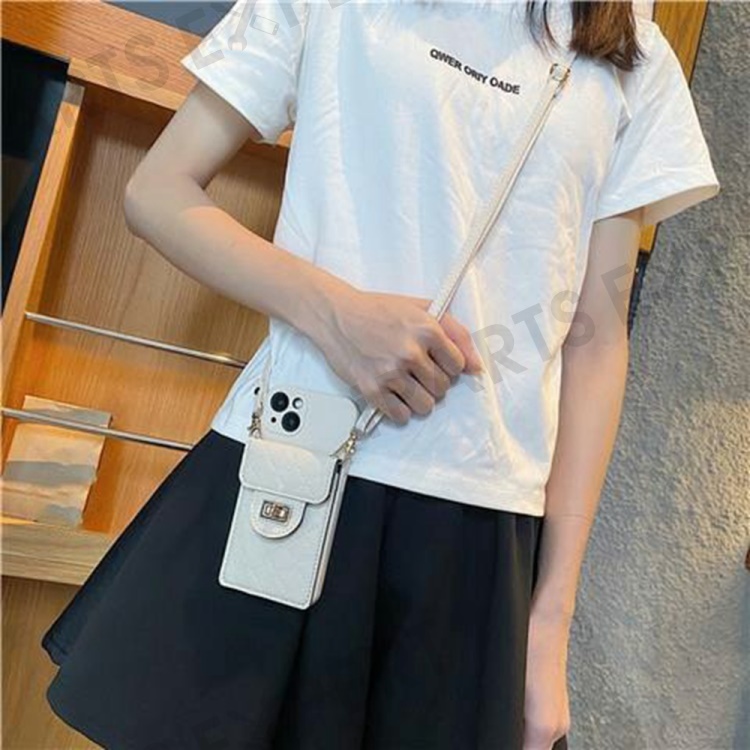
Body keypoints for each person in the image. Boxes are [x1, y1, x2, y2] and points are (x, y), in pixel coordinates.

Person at [40, 1, 720, 748]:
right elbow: (157, 192)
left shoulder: (629, 53)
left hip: (479, 523)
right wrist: (335, 314)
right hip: (292, 480)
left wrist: (550, 626)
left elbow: (596, 338)